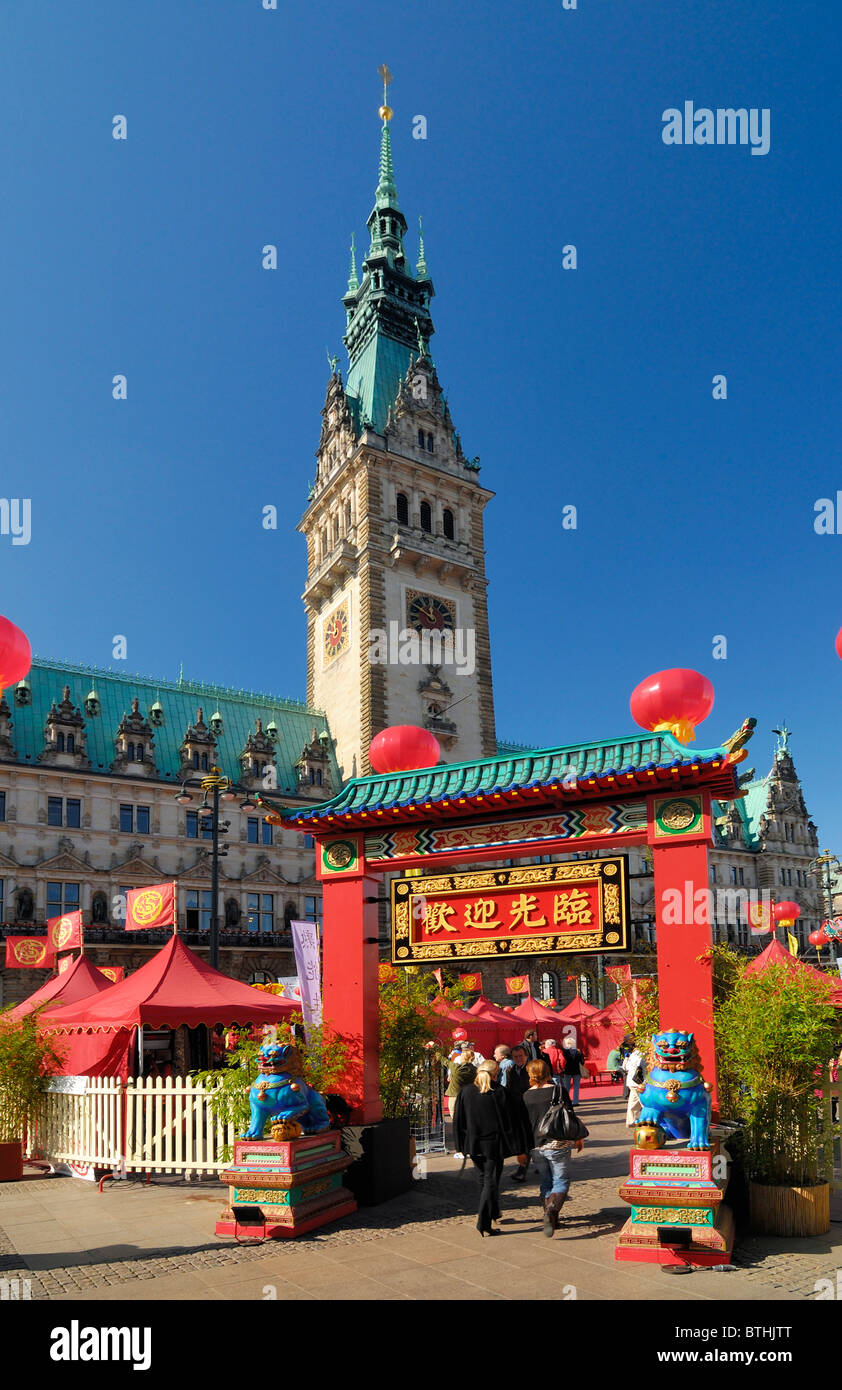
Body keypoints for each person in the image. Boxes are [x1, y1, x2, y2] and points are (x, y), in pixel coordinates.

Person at [522, 1059, 585, 1235]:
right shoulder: (558, 1090)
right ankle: (551, 1212)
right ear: (547, 1072)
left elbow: (524, 1123)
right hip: (558, 1142)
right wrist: (578, 1137)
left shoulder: (526, 1095)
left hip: (536, 1145)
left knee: (546, 1181)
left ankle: (551, 1218)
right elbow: (569, 1116)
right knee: (561, 1180)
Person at [453, 1059, 515, 1235]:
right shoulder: (499, 1092)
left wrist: (460, 1144)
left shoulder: (465, 1092)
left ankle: (492, 1211)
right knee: (490, 1179)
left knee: (483, 1178)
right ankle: (484, 1221)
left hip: (473, 1143)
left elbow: (459, 1120)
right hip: (493, 1144)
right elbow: (508, 1120)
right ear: (496, 1074)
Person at [506, 1044, 533, 1181]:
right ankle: (525, 1168)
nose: (518, 1059)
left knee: (530, 1141)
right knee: (526, 1141)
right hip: (518, 1111)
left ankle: (523, 1170)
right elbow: (509, 1088)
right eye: (515, 1057)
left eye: (521, 1056)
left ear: (526, 1056)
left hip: (531, 1110)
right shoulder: (510, 1070)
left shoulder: (531, 1069)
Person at [623, 1041, 646, 1128]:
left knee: (633, 1102)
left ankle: (631, 1121)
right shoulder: (641, 1054)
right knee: (644, 1101)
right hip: (638, 1082)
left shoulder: (632, 1054)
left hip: (631, 1081)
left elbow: (626, 1067)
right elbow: (643, 1065)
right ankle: (649, 1120)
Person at [560, 1037, 586, 1105]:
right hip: (577, 1071)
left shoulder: (564, 1052)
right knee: (576, 1087)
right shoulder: (578, 1051)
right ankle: (575, 1102)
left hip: (567, 1071)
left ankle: (566, 1101)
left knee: (566, 1087)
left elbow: (562, 1061)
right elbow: (582, 1062)